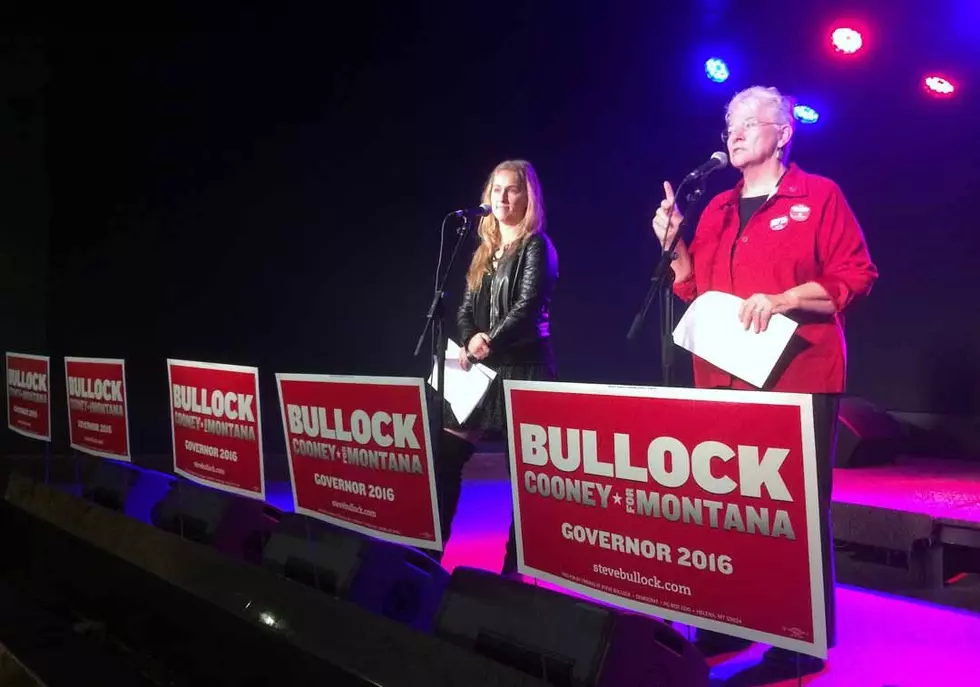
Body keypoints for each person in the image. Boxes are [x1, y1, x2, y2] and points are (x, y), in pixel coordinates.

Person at [651, 86, 878, 679]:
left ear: (783, 134)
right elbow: (693, 290)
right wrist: (674, 244)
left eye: (752, 123)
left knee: (796, 510)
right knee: (729, 505)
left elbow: (856, 275)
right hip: (723, 379)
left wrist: (783, 299)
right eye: (731, 122)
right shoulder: (718, 208)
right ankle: (726, 622)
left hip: (798, 377)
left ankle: (800, 640)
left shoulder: (819, 195)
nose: (737, 131)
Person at [431, 159, 559, 576]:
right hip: (479, 366)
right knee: (446, 455)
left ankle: (511, 574)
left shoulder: (537, 246)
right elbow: (466, 307)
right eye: (496, 189)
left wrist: (491, 341)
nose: (502, 197)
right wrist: (470, 337)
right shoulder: (485, 250)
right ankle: (429, 555)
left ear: (527, 196)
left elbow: (528, 306)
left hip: (523, 366)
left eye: (512, 190)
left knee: (524, 478)